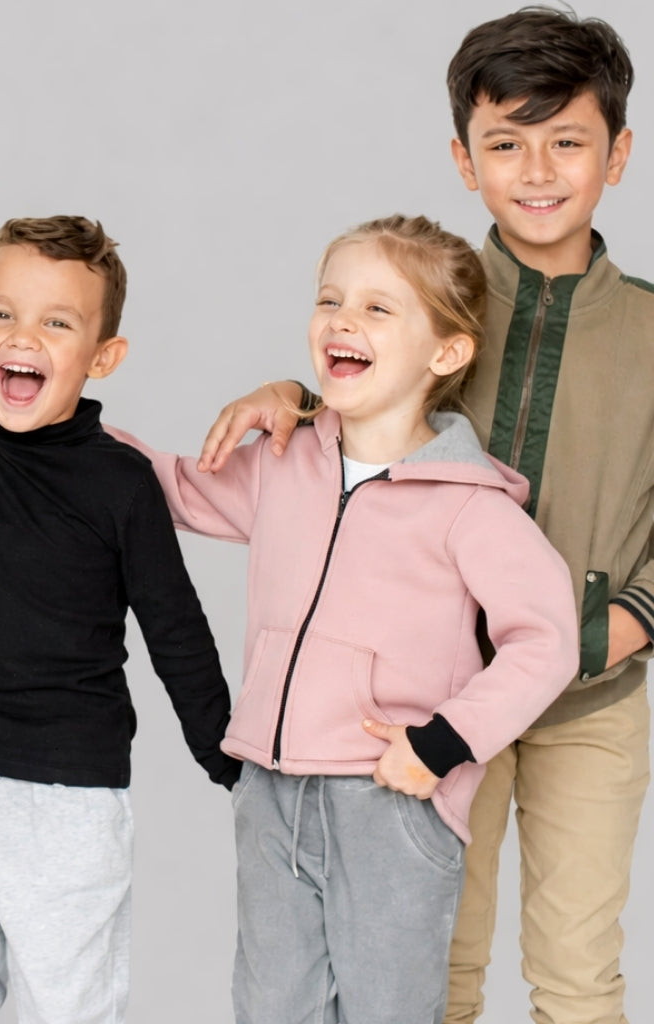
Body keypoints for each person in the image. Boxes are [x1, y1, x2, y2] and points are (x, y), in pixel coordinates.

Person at [199, 12, 654, 1022]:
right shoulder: (426, 293)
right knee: (433, 974)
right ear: (465, 160)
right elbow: (364, 406)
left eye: (568, 141)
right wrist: (292, 394)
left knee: (578, 975)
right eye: (506, 143)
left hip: (592, 696)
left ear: (617, 155)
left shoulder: (649, 330)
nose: (538, 170)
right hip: (430, 705)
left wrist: (622, 625)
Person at [115, 214, 577, 1023]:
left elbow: (547, 640)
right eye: (330, 300)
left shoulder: (470, 505)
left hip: (388, 801)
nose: (342, 320)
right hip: (271, 788)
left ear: (446, 354)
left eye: (377, 308)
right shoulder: (286, 460)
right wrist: (61, 435)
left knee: (386, 1011)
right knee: (270, 1008)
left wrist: (440, 745)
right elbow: (172, 490)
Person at [0, 216, 237, 1023]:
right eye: (2, 314)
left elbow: (176, 630)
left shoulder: (121, 483)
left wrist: (229, 760)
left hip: (67, 793)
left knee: (64, 1004)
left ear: (104, 356)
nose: (23, 336)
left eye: (57, 323)